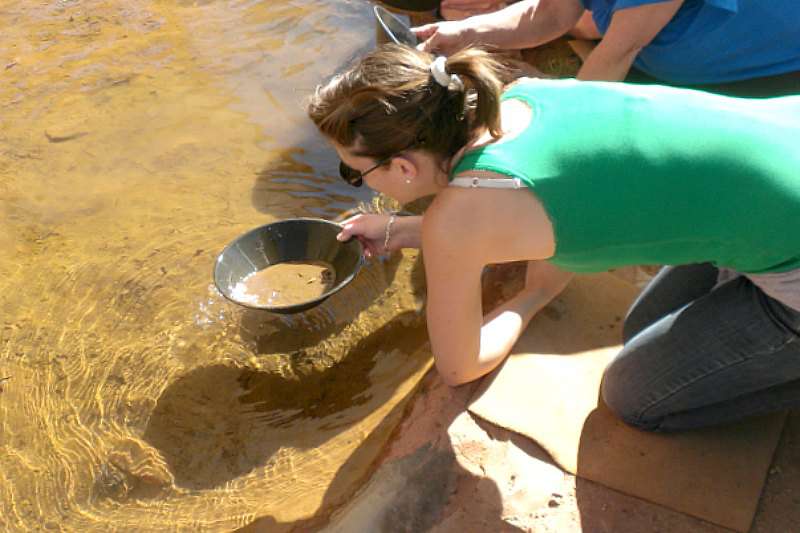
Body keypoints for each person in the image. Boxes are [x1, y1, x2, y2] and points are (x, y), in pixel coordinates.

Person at [307, 44, 800, 432]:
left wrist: (533, 296)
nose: (358, 183)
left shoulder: (459, 220)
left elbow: (459, 366)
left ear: (402, 167)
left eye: (354, 174)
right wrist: (400, 230)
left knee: (632, 395)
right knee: (641, 330)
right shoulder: (522, 97)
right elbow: (566, 195)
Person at [411, 0, 800, 88]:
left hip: (773, 66)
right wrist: (466, 32)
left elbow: (617, 54)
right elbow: (549, 15)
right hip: (661, 48)